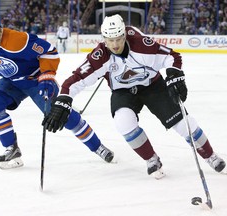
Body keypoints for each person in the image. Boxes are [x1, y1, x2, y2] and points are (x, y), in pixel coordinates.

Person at [42, 14, 226, 179]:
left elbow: (172, 56)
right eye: (110, 40)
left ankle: (211, 156)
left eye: (119, 39)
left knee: (184, 124)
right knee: (123, 123)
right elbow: (76, 80)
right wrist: (63, 101)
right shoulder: (100, 56)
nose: (115, 45)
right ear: (104, 39)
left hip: (153, 86)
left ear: (125, 35)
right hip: (123, 92)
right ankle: (152, 159)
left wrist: (173, 74)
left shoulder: (141, 44)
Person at [0, 11, 114, 169]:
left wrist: (47, 76)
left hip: (37, 80)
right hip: (12, 82)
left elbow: (50, 52)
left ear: (1, 29)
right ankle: (12, 148)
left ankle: (97, 146)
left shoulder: (17, 40)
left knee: (61, 115)